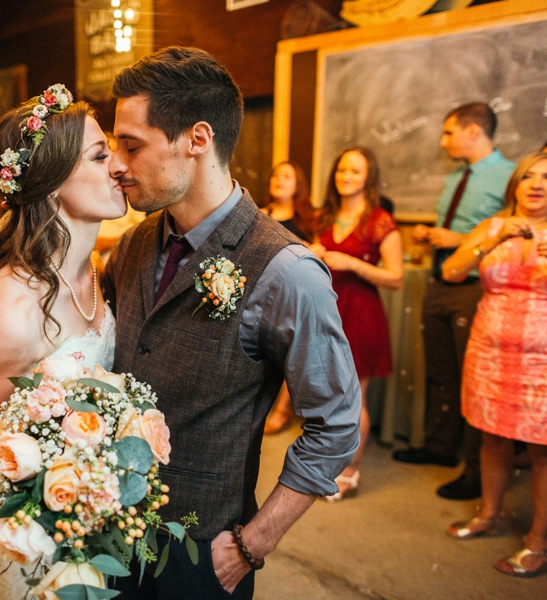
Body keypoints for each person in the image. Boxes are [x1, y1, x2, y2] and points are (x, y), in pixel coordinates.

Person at [104, 47, 361, 599]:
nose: (116, 165)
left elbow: (336, 424)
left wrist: (255, 542)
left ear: (197, 139)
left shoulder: (287, 271)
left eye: (131, 145)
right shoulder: (130, 247)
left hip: (202, 553)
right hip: (105, 530)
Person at [0, 84, 127, 599]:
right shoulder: (13, 307)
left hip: (100, 522)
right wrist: (46, 490)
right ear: (50, 186)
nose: (119, 167)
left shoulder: (93, 269)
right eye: (99, 156)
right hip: (46, 539)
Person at [392, 103, 515, 501]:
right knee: (441, 370)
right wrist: (435, 236)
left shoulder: (512, 176)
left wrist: (458, 240)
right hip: (439, 280)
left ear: (474, 130)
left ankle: (476, 470)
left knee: (472, 378)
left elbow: (514, 234)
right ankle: (439, 447)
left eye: (449, 133)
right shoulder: (455, 178)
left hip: (476, 287)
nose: (443, 142)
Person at [441, 153, 547, 577]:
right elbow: (451, 270)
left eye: (546, 178)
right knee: (493, 437)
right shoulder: (493, 225)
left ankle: (539, 541)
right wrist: (493, 239)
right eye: (528, 177)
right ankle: (490, 514)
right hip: (490, 348)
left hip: (542, 357)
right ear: (515, 185)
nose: (536, 184)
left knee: (542, 448)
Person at [311, 147, 404, 501]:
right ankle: (327, 461)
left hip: (361, 313)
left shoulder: (379, 219)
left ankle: (351, 469)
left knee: (353, 398)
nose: (345, 176)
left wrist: (353, 263)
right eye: (341, 170)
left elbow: (396, 277)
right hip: (327, 311)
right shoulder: (326, 216)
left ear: (368, 177)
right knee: (324, 395)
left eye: (354, 171)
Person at [256, 161, 316, 435]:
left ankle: (283, 409)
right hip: (259, 288)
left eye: (287, 176)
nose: (279, 179)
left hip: (292, 292)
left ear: (298, 185)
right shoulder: (258, 214)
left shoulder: (309, 220)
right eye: (275, 174)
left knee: (291, 348)